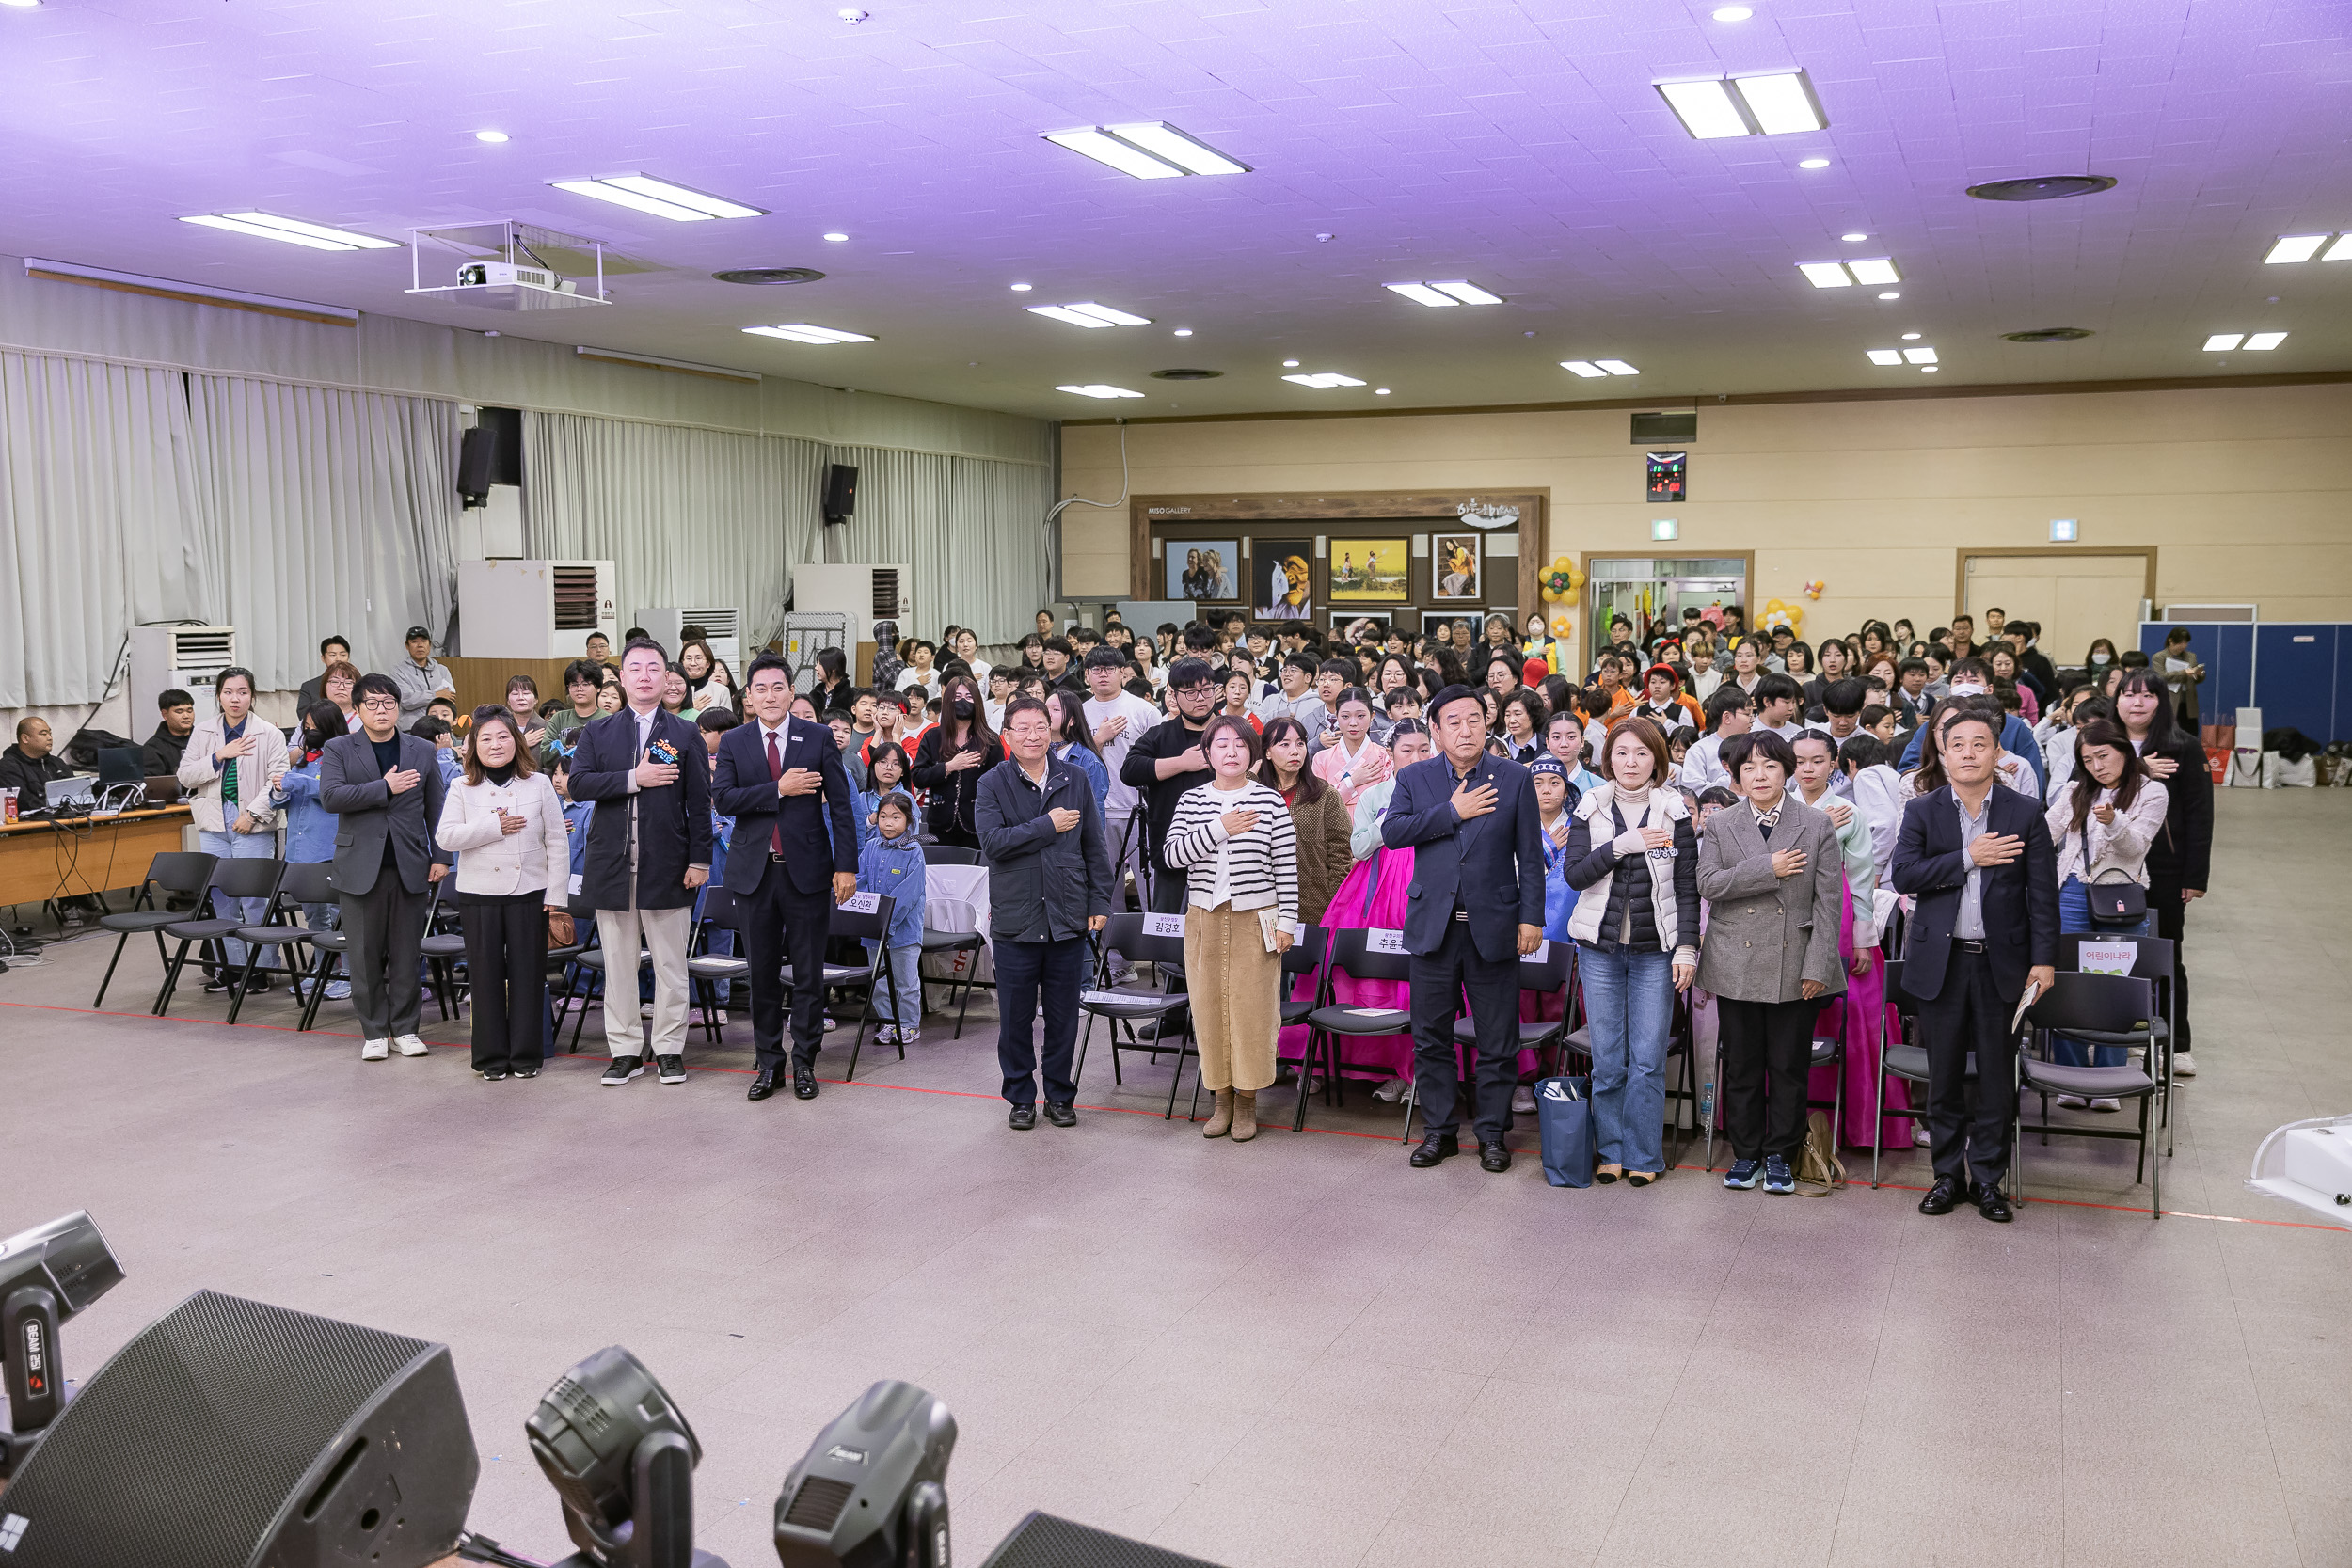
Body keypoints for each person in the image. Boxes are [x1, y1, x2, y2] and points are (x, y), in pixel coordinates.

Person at [1892, 709, 2058, 1223]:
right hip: (1941, 961)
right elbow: (1903, 874)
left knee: (1994, 1077)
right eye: (1956, 744)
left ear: (1996, 753)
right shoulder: (1923, 810)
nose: (1967, 753)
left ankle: (1988, 1179)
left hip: (2002, 965)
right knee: (1942, 1075)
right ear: (1942, 754)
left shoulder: (2025, 812)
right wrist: (1969, 856)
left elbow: (2043, 895)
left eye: (1978, 744)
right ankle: (1947, 1176)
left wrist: (2044, 961)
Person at [1381, 684, 1547, 1172]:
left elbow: (1530, 856)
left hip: (1493, 925)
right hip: (1433, 928)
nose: (1465, 729)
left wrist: (1530, 916)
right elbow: (1393, 833)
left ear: (1486, 723)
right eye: (1453, 721)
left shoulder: (1514, 777)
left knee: (1498, 1039)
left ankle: (1493, 1135)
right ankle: (1439, 1132)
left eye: (1474, 719)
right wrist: (1452, 812)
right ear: (1436, 730)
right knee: (1431, 1037)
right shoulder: (1416, 777)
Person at [1696, 730, 1847, 1196]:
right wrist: (1768, 869)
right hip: (1734, 961)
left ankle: (1780, 1155)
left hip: (1795, 960)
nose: (1759, 775)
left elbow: (1828, 902)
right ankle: (1745, 1156)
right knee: (1741, 1065)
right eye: (1749, 769)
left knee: (1788, 1066)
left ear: (1786, 770)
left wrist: (1818, 965)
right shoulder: (1721, 824)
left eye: (1769, 766)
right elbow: (1708, 883)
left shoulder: (1816, 823)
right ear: (1736, 776)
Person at [568, 638, 715, 1088]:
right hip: (613, 867)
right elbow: (579, 785)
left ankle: (669, 1049)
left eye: (654, 668)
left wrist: (700, 859)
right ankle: (626, 1049)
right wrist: (635, 778)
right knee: (619, 963)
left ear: (667, 676)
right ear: (622, 676)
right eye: (636, 668)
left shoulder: (683, 732)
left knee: (671, 964)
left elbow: (699, 801)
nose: (646, 676)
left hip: (668, 865)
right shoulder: (599, 732)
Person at [712, 652, 858, 1102]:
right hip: (755, 874)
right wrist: (778, 788)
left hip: (808, 873)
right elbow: (724, 800)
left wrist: (846, 865)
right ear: (749, 697)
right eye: (761, 689)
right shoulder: (735, 741)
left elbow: (841, 806)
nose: (770, 696)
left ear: (791, 692)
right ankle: (769, 1062)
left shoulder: (816, 737)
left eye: (779, 687)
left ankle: (805, 1063)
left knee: (809, 973)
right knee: (761, 974)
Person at [1560, 721, 1700, 1186]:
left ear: (1657, 760)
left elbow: (1685, 888)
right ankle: (1611, 1150)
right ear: (1608, 759)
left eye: (1642, 753)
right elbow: (1575, 875)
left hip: (1655, 952)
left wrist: (1687, 948)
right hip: (1599, 950)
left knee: (1647, 1058)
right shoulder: (1589, 806)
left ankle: (1644, 1154)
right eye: (1622, 753)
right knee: (1607, 1056)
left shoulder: (1673, 810)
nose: (1631, 762)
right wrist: (1624, 844)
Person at [977, 695, 1114, 1131]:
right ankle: (1019, 1096)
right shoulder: (992, 782)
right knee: (1015, 1017)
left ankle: (1059, 1094)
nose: (1033, 735)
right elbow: (993, 843)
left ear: (1051, 731)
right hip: (1016, 918)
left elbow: (1095, 846)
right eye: (1023, 728)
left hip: (1067, 915)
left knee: (1062, 1017)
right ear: (1007, 735)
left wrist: (1098, 903)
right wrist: (1047, 825)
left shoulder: (1074, 777)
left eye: (1040, 726)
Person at [1164, 714, 1300, 1142]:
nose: (1230, 752)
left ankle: (1246, 1102)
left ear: (1252, 753)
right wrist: (1220, 828)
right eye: (1221, 744)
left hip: (1255, 919)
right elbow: (1172, 857)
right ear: (1207, 753)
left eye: (1240, 745)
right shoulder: (1191, 801)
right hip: (1204, 916)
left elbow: (1286, 870)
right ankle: (1219, 1099)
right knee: (1207, 1010)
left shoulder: (1270, 801)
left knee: (1253, 1012)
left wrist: (1287, 924)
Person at [434, 705, 569, 1081]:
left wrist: (555, 891)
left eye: (503, 737)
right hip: (479, 892)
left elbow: (557, 841)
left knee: (528, 974)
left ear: (518, 740)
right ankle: (491, 1058)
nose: (495, 745)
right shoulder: (462, 787)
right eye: (486, 738)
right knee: (485, 975)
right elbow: (446, 837)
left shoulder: (539, 783)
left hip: (530, 891)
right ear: (472, 745)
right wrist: (494, 826)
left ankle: (526, 1056)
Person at [321, 673, 453, 1059]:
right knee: (363, 955)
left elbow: (437, 807)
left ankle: (407, 1030)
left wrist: (442, 856)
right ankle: (374, 1032)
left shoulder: (420, 749)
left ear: (399, 707)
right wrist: (384, 788)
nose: (381, 710)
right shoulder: (339, 748)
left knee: (406, 953)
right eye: (373, 704)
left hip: (410, 863)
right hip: (359, 866)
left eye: (388, 703)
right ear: (358, 709)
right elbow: (331, 797)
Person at [2042, 719, 2166, 1100]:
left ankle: (2110, 1081)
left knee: (2114, 986)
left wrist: (2114, 822)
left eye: (2103, 755)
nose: (2097, 766)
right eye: (2088, 759)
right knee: (2066, 983)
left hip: (2121, 900)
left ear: (2125, 752)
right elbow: (2046, 833)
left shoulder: (2153, 792)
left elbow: (2135, 849)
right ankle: (2068, 1076)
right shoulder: (2076, 790)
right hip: (2073, 893)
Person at [2112, 669, 2210, 1076]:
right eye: (2130, 694)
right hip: (2111, 867)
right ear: (2116, 700)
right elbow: (2078, 788)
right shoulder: (2104, 742)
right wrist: (2136, 768)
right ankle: (2122, 1038)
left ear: (2161, 702)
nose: (2138, 702)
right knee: (2115, 952)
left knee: (2167, 953)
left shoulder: (2183, 747)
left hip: (2166, 868)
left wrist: (2195, 876)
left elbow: (2200, 813)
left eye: (2148, 695)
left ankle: (2177, 1042)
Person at [177, 667, 290, 991]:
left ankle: (262, 969)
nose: (235, 698)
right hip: (213, 821)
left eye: (242, 692)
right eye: (228, 692)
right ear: (219, 696)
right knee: (221, 896)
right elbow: (186, 775)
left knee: (254, 898)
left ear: (252, 696)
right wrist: (218, 755)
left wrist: (253, 814)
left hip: (251, 822)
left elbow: (278, 781)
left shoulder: (269, 733)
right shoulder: (204, 731)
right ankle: (234, 968)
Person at [1120, 657, 1221, 913]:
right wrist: (1181, 763)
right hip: (1171, 846)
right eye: (1190, 692)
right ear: (1173, 695)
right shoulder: (1160, 734)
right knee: (1168, 925)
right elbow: (1130, 770)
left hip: (1224, 849)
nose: (1200, 698)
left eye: (1206, 690)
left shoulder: (1232, 732)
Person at [270, 702, 354, 1001]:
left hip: (328, 848)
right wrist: (279, 788)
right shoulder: (301, 761)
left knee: (339, 916)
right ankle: (323, 971)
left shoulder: (345, 758)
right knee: (314, 917)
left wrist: (295, 782)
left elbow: (334, 795)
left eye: (314, 727)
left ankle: (348, 976)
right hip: (299, 851)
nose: (309, 732)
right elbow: (281, 801)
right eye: (305, 727)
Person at [1259, 717, 1351, 926]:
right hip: (1262, 904)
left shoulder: (1325, 794)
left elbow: (1341, 855)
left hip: (1314, 904)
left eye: (1300, 743)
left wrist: (1335, 905)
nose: (1295, 751)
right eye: (1284, 744)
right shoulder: (1254, 794)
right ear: (1267, 752)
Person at [856, 792, 929, 1049]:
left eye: (896, 817)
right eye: (883, 816)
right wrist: (867, 915)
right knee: (879, 982)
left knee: (905, 982)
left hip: (903, 932)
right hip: (873, 931)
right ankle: (889, 1022)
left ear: (908, 821)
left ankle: (909, 1025)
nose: (888, 823)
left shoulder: (914, 850)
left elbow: (908, 894)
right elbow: (860, 881)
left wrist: (886, 920)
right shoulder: (870, 847)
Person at [909, 673, 999, 850]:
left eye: (968, 697)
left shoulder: (990, 740)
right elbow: (918, 777)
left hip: (977, 825)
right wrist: (948, 767)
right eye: (957, 697)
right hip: (939, 824)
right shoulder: (933, 736)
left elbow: (999, 783)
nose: (963, 701)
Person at [1310, 686, 1391, 809]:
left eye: (1360, 716)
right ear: (1336, 716)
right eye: (1346, 716)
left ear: (1372, 716)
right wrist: (1352, 781)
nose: (1353, 723)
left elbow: (1387, 802)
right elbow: (1318, 805)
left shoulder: (1384, 757)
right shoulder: (1321, 759)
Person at [1678, 687, 1754, 792]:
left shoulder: (1755, 746)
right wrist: (1728, 782)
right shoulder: (1699, 750)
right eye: (1747, 714)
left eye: (1752, 714)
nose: (1752, 720)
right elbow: (1692, 790)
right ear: (1727, 717)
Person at [1045, 688, 1109, 809]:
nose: (1048, 714)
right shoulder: (1037, 753)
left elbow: (1095, 809)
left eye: (1055, 709)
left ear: (1072, 720)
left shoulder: (1088, 761)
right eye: (1045, 708)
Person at [389, 626, 456, 725]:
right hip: (412, 728)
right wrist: (435, 695)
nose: (420, 645)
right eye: (414, 641)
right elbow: (406, 701)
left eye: (424, 641)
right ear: (407, 646)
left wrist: (419, 697)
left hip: (440, 726)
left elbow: (450, 697)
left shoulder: (442, 670)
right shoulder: (398, 672)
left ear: (429, 645)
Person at [139, 689, 198, 778]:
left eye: (189, 711)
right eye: (179, 711)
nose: (186, 716)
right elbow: (152, 785)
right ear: (164, 714)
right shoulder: (153, 748)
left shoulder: (204, 737)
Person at [296, 634, 352, 709]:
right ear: (323, 658)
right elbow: (304, 714)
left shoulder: (359, 684)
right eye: (333, 655)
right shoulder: (309, 687)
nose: (338, 659)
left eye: (343, 655)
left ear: (348, 657)